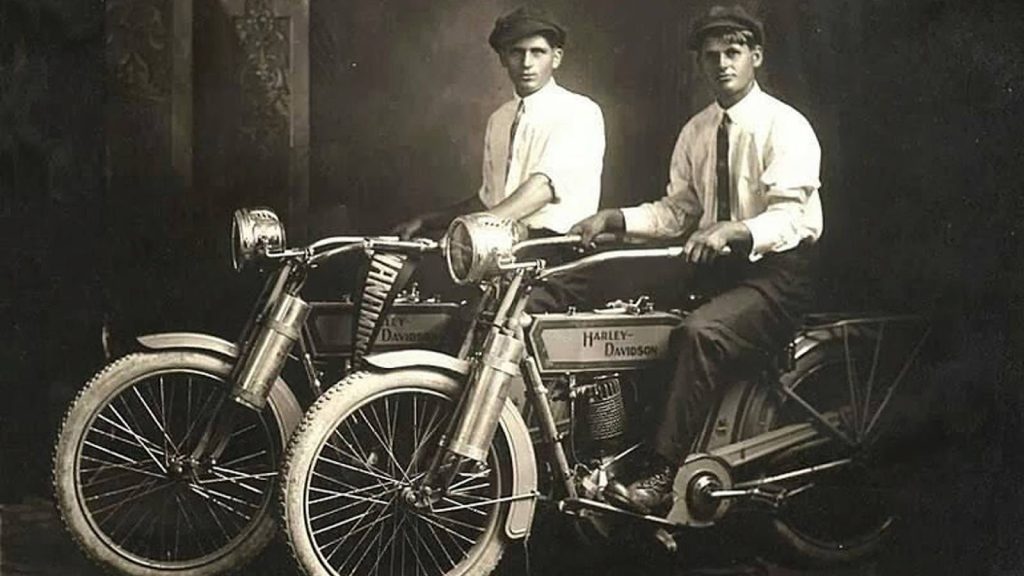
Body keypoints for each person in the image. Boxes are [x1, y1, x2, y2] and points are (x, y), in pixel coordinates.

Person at [571, 5, 822, 515]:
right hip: (718, 271)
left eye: (733, 53)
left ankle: (661, 477)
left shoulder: (785, 126)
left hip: (779, 275)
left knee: (699, 334)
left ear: (756, 56)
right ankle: (612, 454)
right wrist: (615, 219)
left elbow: (794, 217)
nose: (722, 64)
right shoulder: (697, 131)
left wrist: (736, 230)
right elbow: (678, 211)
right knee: (624, 311)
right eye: (711, 56)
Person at [393, 6, 606, 311]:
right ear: (504, 58)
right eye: (517, 52)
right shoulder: (500, 119)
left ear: (556, 58)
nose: (527, 63)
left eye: (538, 52)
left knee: (494, 324)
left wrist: (469, 229)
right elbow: (489, 201)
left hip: (558, 261)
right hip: (504, 257)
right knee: (445, 315)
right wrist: (428, 220)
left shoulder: (579, 112)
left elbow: (543, 187)